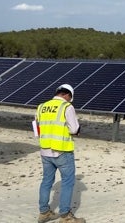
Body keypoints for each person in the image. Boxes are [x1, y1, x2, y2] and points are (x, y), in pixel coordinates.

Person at [36, 84, 86, 223]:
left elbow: (38, 128)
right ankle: (65, 216)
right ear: (67, 95)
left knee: (46, 181)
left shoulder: (42, 107)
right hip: (62, 151)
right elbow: (74, 128)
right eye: (70, 98)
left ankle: (44, 213)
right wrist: (77, 130)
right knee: (68, 182)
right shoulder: (66, 107)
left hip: (45, 150)